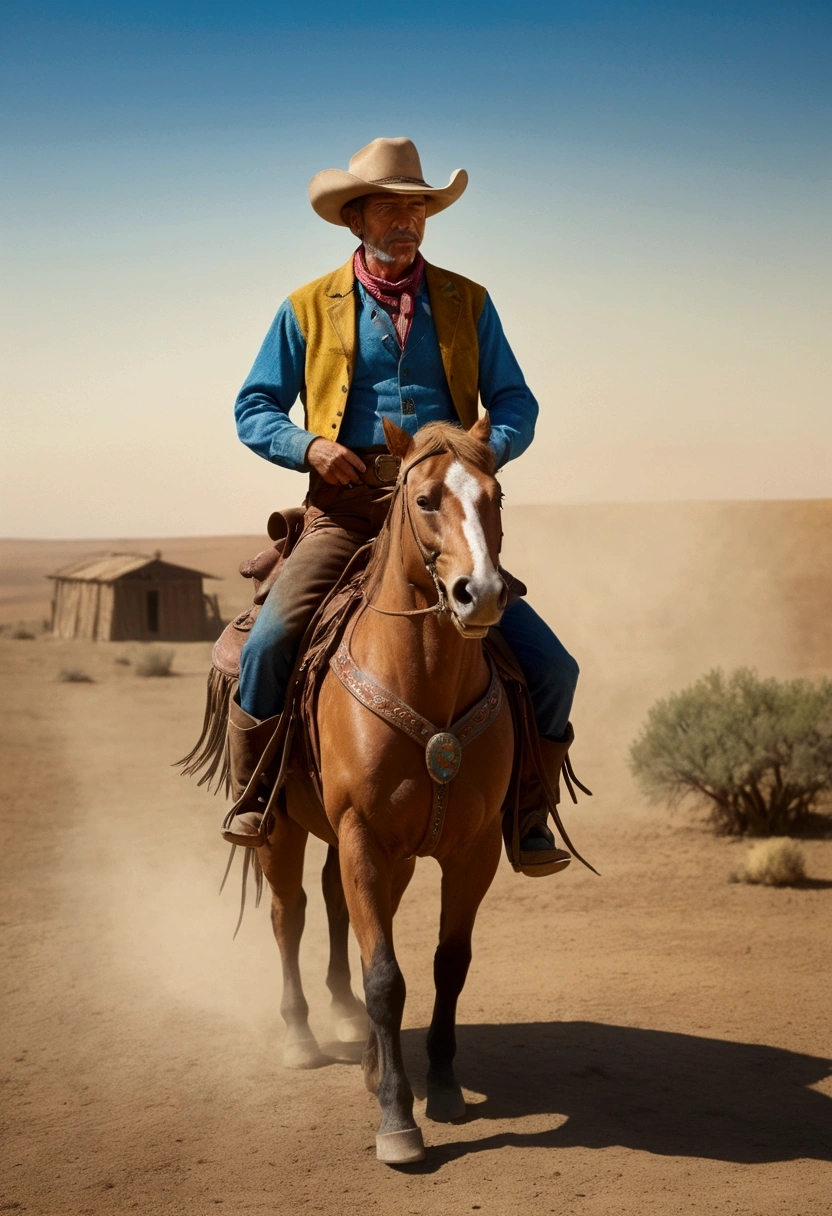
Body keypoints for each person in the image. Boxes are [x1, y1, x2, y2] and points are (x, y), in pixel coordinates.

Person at [225, 137, 580, 876]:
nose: (406, 222)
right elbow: (253, 406)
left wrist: (484, 452)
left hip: (442, 515)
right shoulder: (305, 308)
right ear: (356, 219)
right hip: (348, 510)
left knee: (552, 667)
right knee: (267, 643)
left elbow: (516, 401)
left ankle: (526, 811)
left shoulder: (466, 301)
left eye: (418, 208)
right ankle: (254, 793)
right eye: (390, 207)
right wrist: (308, 449)